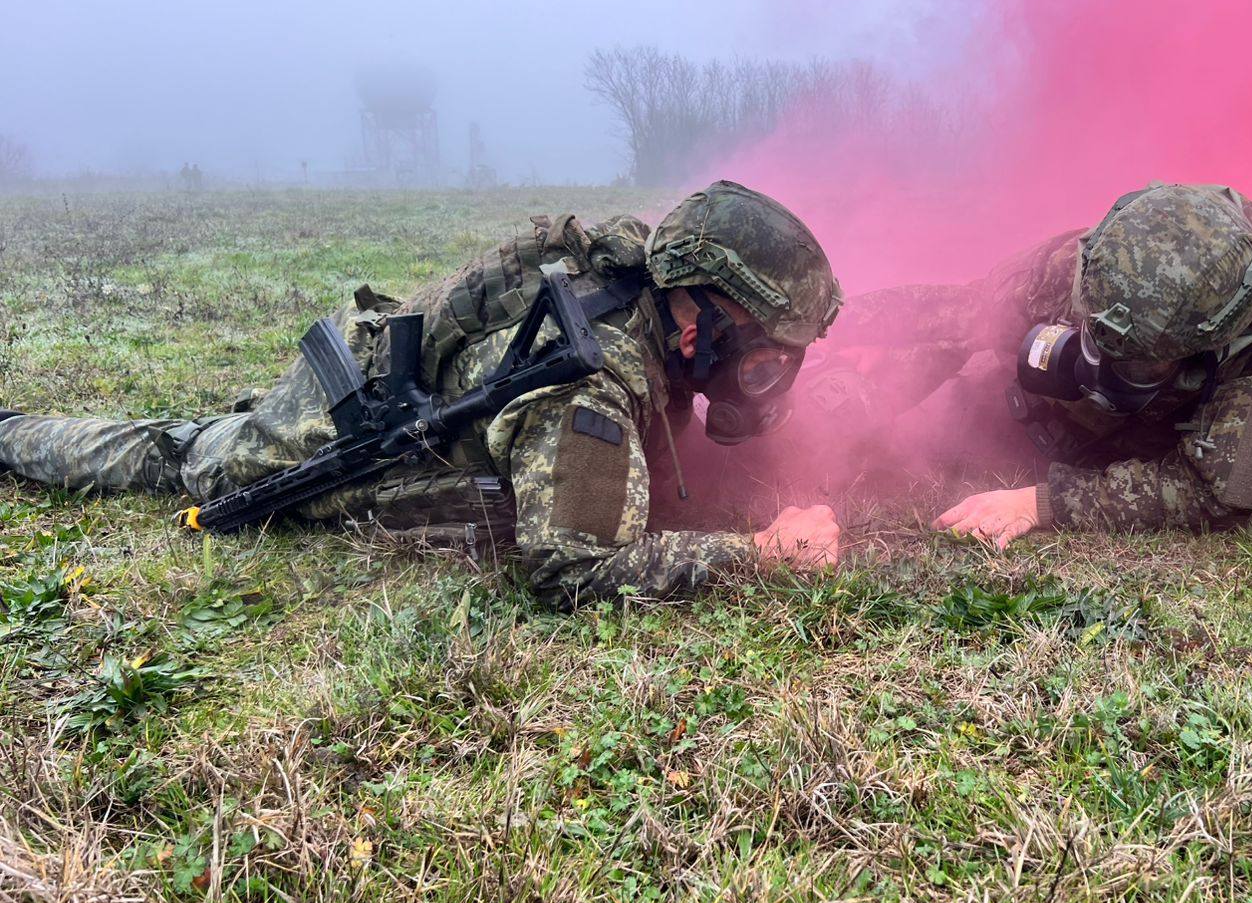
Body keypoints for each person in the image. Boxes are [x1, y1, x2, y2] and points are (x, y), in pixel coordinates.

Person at [0, 181, 844, 603]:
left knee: (198, 428)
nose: (765, 375)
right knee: (179, 453)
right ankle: (10, 431)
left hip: (396, 385)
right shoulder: (590, 381)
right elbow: (571, 568)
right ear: (701, 322)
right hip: (332, 438)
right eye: (762, 356)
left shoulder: (644, 282)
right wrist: (759, 556)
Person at [810, 182, 1252, 549]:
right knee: (1009, 384)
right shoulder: (1098, 262)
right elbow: (968, 307)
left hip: (1240, 390)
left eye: (1135, 363)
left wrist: (1044, 503)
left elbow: (1216, 495)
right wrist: (825, 323)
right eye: (1097, 343)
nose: (1100, 368)